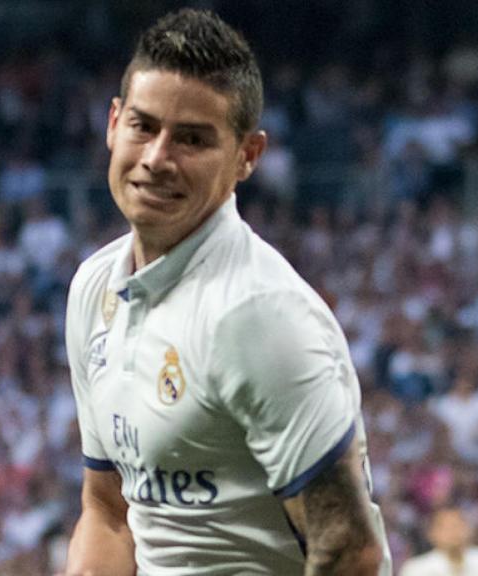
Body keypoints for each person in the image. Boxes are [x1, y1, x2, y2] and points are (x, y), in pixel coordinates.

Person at [63, 8, 390, 575]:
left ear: (248, 156)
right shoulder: (95, 289)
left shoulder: (256, 313)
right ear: (113, 123)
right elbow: (108, 509)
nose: (157, 158)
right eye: (144, 126)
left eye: (192, 139)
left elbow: (351, 553)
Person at [398, 507, 478, 576]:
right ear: (432, 534)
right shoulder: (416, 569)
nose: (453, 532)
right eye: (447, 528)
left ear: (468, 529)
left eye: (458, 525)